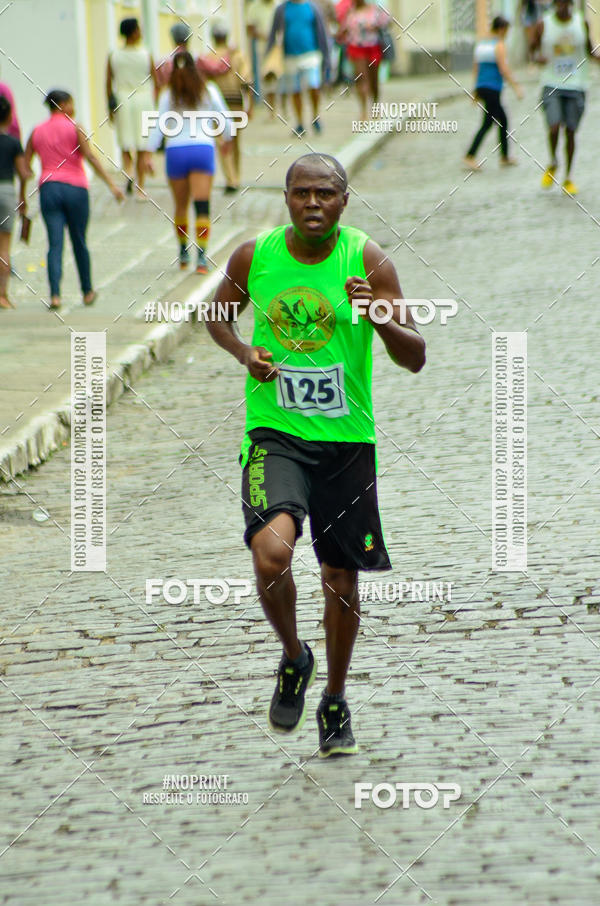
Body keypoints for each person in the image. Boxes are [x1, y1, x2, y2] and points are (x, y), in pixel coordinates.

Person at [206, 153, 426, 757]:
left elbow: (415, 356)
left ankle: (333, 698)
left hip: (347, 442)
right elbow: (217, 317)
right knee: (271, 553)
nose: (312, 203)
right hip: (275, 432)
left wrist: (379, 317)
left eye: (324, 193)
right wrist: (244, 351)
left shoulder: (367, 259)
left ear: (344, 200)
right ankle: (293, 655)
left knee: (339, 576)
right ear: (286, 197)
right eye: (301, 192)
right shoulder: (256, 257)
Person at [20, 90, 124, 310]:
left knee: (54, 244)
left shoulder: (37, 131)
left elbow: (25, 166)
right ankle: (87, 291)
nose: (73, 108)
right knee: (79, 241)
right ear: (63, 104)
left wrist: (24, 192)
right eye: (71, 103)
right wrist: (112, 185)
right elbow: (91, 157)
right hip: (76, 188)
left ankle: (55, 296)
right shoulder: (75, 127)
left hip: (49, 189)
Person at [147, 52, 233, 274]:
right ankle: (202, 258)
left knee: (181, 206)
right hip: (202, 149)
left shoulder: (168, 94)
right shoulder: (208, 89)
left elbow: (158, 125)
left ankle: (184, 251)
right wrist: (226, 139)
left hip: (175, 151)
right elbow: (224, 118)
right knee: (202, 205)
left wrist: (148, 154)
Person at [532, 0, 600, 195]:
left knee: (570, 131)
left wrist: (597, 56)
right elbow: (532, 49)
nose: (562, 5)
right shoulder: (543, 24)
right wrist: (537, 57)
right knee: (554, 127)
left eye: (565, 2)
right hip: (551, 84)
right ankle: (553, 161)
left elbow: (590, 50)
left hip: (577, 85)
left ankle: (568, 177)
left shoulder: (581, 23)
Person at [197, 23, 253, 193]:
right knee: (235, 141)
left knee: (222, 142)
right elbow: (246, 81)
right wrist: (249, 105)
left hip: (217, 106)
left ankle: (230, 179)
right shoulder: (237, 56)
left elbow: (203, 84)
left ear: (213, 38)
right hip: (236, 102)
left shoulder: (207, 57)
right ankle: (237, 177)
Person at [463, 16, 523, 171]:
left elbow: (476, 68)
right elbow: (504, 69)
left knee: (503, 120)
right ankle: (470, 156)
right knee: (488, 123)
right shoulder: (499, 46)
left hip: (483, 87)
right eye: (507, 30)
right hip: (493, 88)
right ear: (502, 29)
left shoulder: (482, 44)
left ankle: (504, 157)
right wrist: (516, 86)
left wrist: (475, 90)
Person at [106, 17, 157, 198]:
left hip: (122, 99)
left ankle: (129, 171)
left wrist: (110, 108)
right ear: (135, 32)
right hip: (143, 99)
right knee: (143, 145)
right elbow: (156, 80)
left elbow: (108, 83)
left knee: (126, 144)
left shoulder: (114, 56)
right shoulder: (146, 54)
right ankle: (141, 188)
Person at [266, 0, 331, 136]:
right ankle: (300, 123)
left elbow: (322, 31)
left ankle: (315, 116)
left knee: (313, 86)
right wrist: (269, 57)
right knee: (295, 90)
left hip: (311, 54)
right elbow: (274, 33)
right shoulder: (282, 9)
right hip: (290, 55)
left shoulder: (312, 7)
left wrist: (326, 56)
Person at [337, 0, 391, 120]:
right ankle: (363, 110)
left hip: (373, 47)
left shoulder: (375, 9)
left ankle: (375, 106)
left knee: (373, 80)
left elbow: (387, 23)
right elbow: (343, 29)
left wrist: (375, 26)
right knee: (361, 78)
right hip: (356, 48)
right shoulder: (350, 12)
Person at [0, 96, 30, 309]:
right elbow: (23, 173)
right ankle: (2, 295)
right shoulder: (13, 142)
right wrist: (22, 197)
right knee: (4, 248)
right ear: (10, 116)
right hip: (7, 191)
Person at [155, 22, 193, 93]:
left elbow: (158, 87)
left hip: (169, 101)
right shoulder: (198, 61)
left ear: (172, 37)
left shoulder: (162, 63)